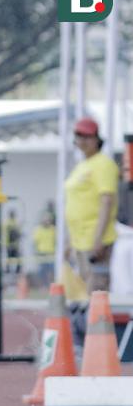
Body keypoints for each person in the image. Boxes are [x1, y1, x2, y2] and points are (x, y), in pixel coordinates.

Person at [63, 117, 119, 293]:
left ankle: (98, 321)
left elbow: (106, 201)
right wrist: (70, 242)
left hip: (95, 238)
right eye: (79, 136)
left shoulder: (103, 164)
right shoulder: (82, 166)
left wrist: (98, 239)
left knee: (97, 290)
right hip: (80, 239)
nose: (83, 141)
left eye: (87, 137)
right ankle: (90, 321)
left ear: (97, 139)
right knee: (85, 290)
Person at [33, 211, 57, 288]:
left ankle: (52, 285)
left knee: (52, 271)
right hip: (42, 253)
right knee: (42, 272)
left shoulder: (53, 229)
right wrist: (36, 252)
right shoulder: (38, 229)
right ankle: (43, 286)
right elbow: (35, 242)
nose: (47, 221)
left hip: (51, 253)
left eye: (48, 220)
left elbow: (56, 241)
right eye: (45, 220)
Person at [2, 209, 23, 276]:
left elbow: (19, 233)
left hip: (15, 244)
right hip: (9, 244)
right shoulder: (7, 223)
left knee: (18, 258)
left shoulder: (16, 222)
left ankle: (17, 271)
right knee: (9, 258)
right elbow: (5, 232)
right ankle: (8, 271)